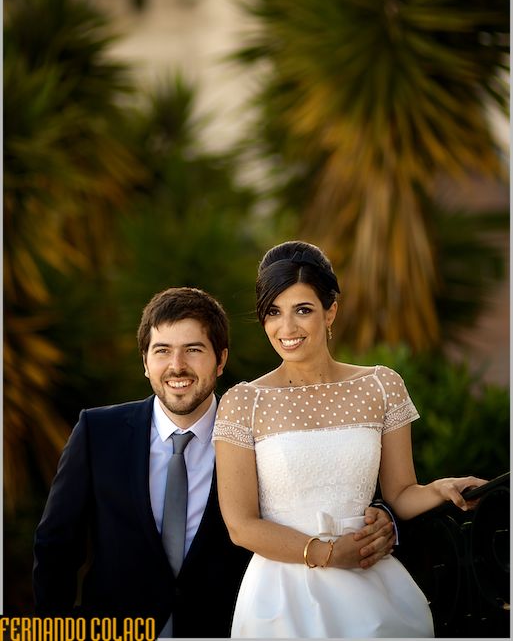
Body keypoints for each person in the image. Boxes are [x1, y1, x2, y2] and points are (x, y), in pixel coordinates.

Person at [33, 286, 394, 638]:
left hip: (229, 628)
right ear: (145, 361)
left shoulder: (258, 435)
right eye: (162, 351)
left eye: (193, 350)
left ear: (220, 360)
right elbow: (56, 546)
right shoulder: (98, 432)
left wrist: (382, 516)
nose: (177, 366)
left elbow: (323, 488)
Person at [213, 241, 488, 638]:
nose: (286, 329)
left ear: (331, 312)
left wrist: (441, 489)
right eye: (274, 312)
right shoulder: (245, 402)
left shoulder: (380, 385)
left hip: (370, 583)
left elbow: (401, 492)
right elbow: (241, 525)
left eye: (302, 310)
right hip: (279, 599)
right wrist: (324, 554)